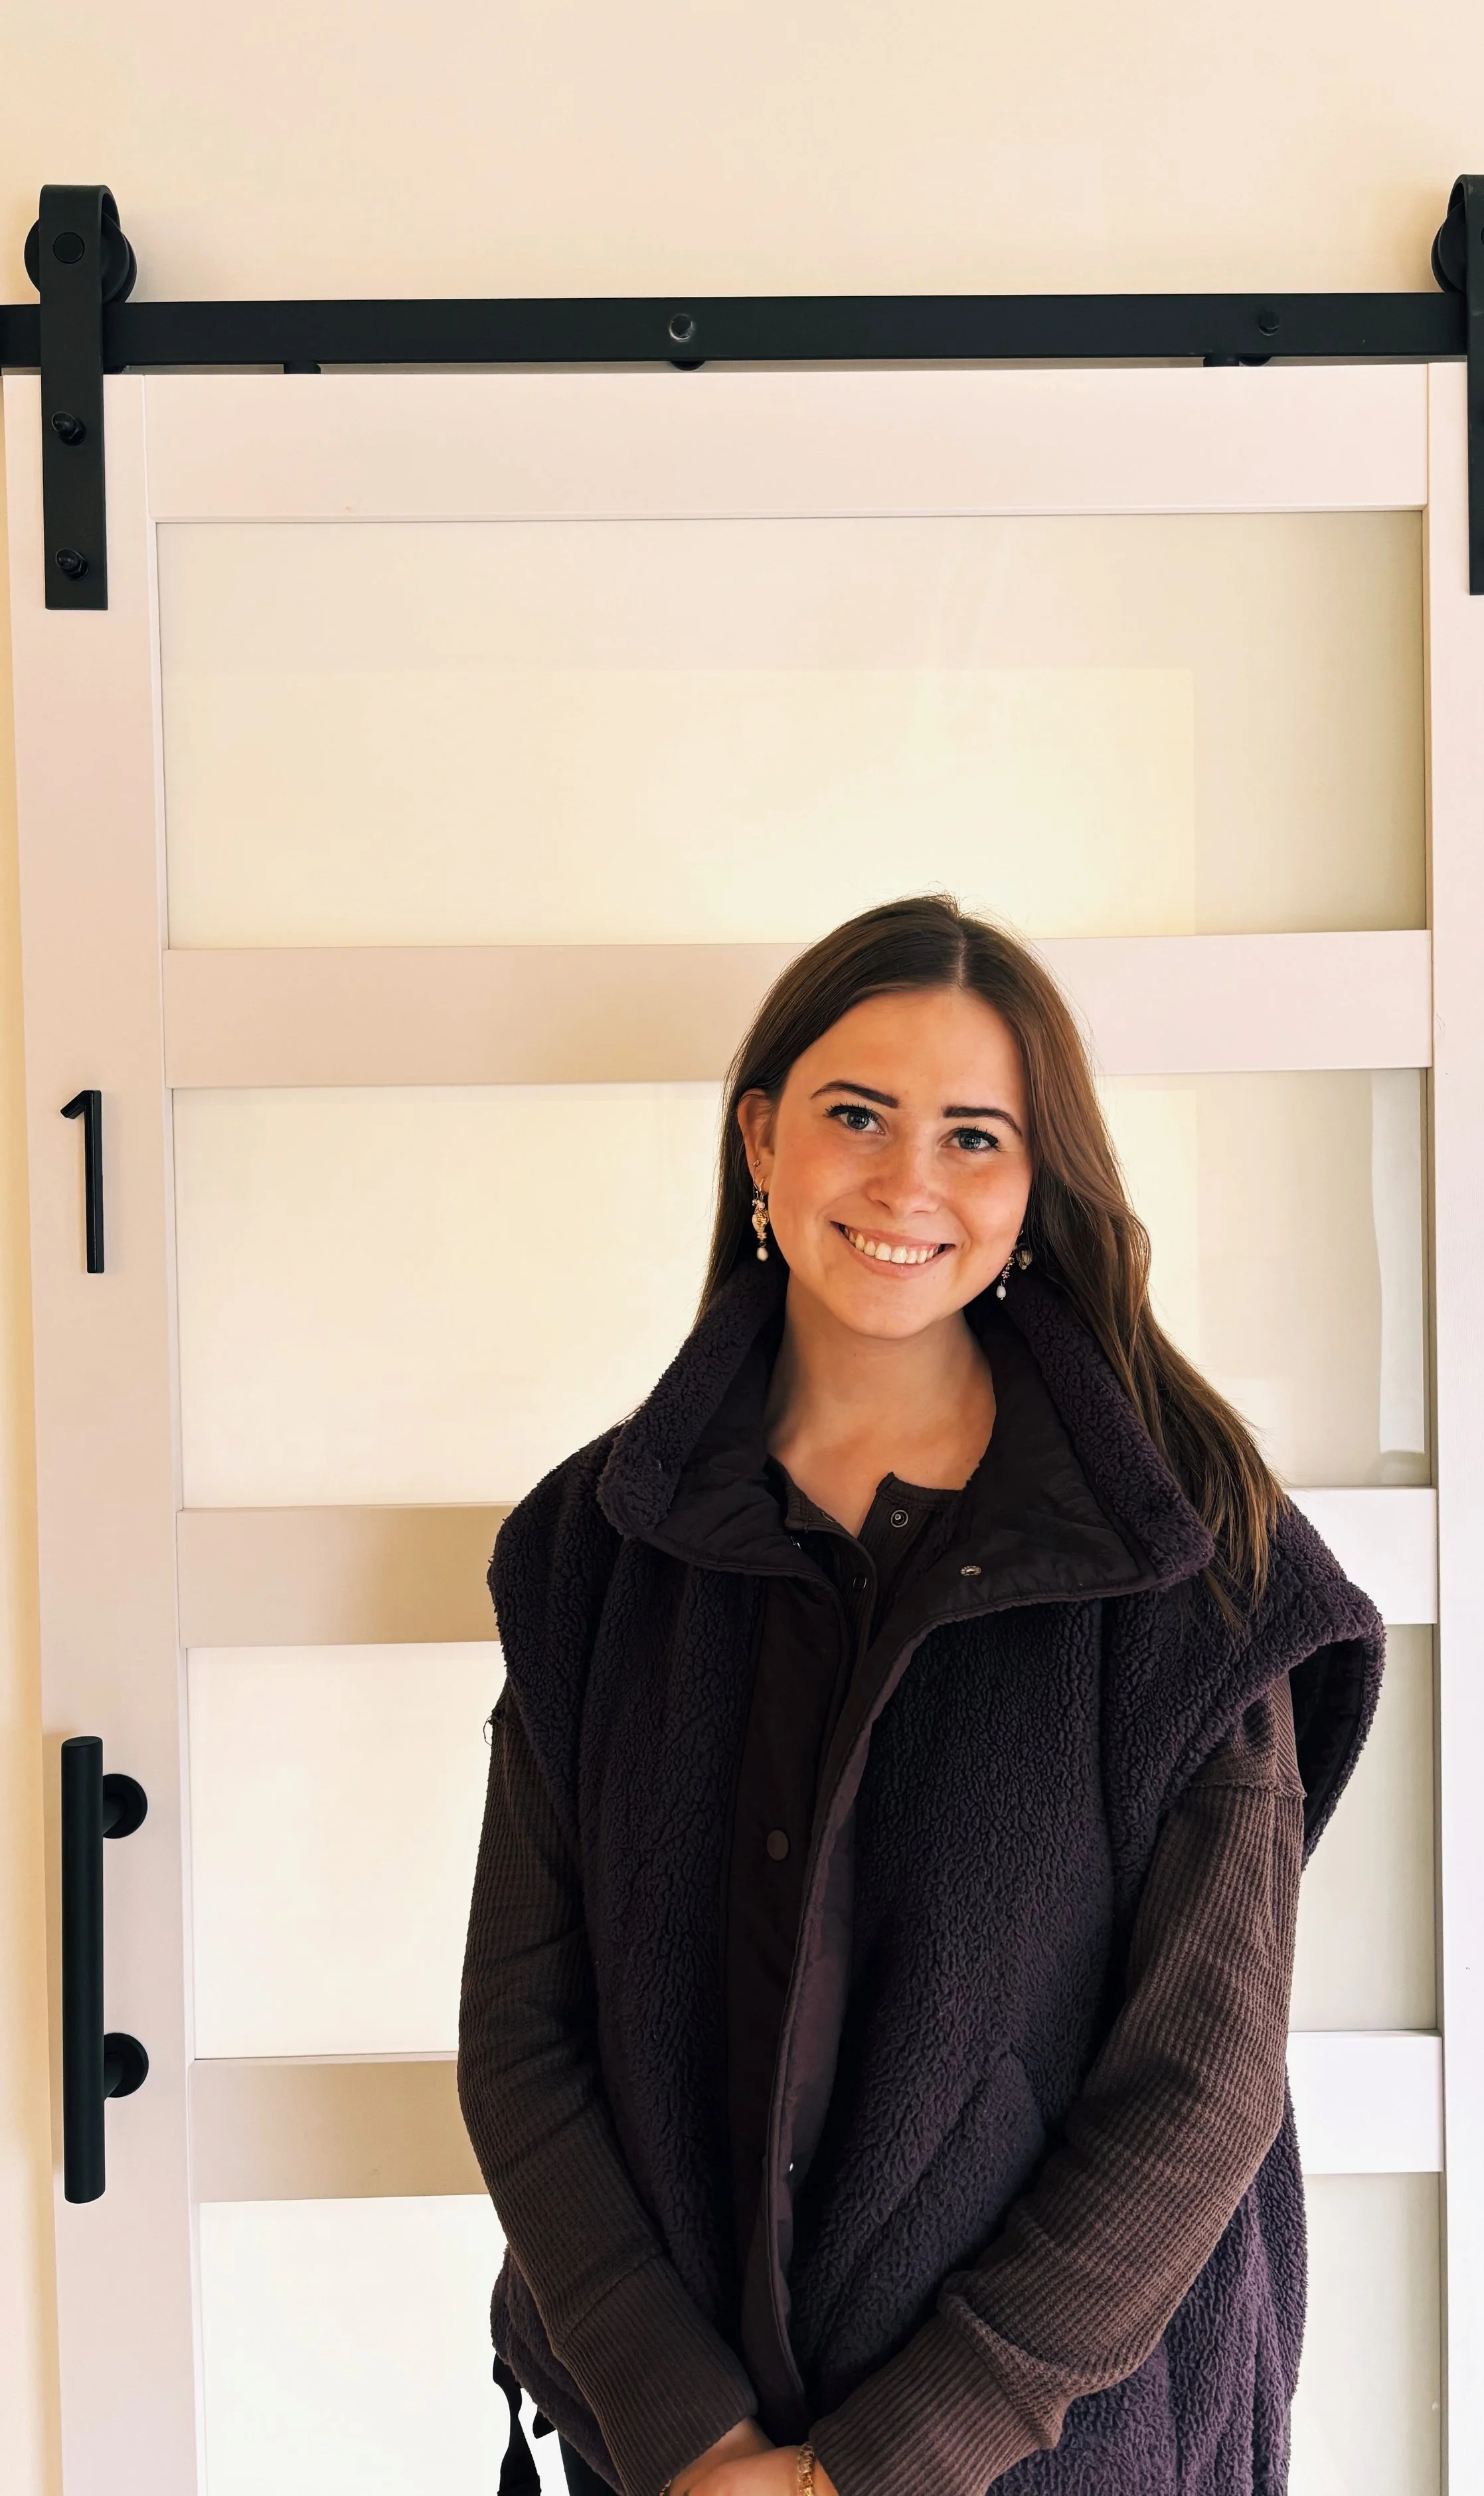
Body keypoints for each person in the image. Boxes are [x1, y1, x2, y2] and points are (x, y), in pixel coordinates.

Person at [458, 895, 1383, 2496]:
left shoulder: (1187, 1560)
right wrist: (691, 2440)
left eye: (972, 1137)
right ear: (761, 1139)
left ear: (1034, 1189)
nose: (906, 1181)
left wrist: (876, 2463)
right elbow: (522, 2032)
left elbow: (1199, 2082)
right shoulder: (591, 1549)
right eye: (856, 1116)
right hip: (663, 2453)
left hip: (1057, 2456)